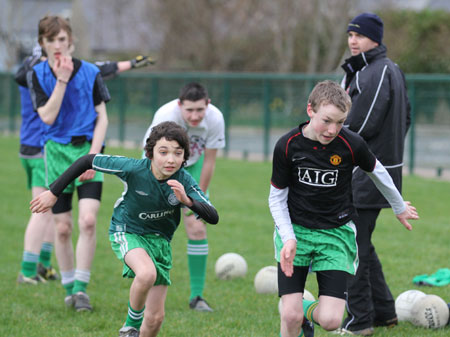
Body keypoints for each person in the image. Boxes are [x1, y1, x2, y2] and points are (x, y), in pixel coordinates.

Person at [30, 121, 219, 337]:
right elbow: (87, 161)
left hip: (161, 242)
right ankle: (129, 328)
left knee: (156, 319)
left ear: (185, 156)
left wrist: (188, 201)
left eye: (178, 153)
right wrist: (53, 192)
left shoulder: (184, 180)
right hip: (128, 231)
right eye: (163, 152)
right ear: (150, 153)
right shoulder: (133, 168)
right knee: (146, 274)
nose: (170, 159)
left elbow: (213, 217)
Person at [268, 80, 418, 337]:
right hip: (296, 232)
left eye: (340, 122)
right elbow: (277, 198)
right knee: (289, 315)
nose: (332, 129)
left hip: (336, 234)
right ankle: (294, 313)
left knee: (330, 320)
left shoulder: (351, 143)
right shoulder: (287, 145)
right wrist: (288, 236)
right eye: (327, 120)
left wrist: (397, 205)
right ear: (310, 110)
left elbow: (377, 172)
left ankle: (306, 315)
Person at [14, 43, 154, 285]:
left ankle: (45, 266)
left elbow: (98, 69)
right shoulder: (41, 74)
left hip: (31, 146)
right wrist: (130, 63)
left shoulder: (33, 69)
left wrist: (130, 63)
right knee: (43, 209)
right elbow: (102, 68)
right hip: (47, 147)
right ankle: (28, 271)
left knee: (63, 220)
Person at [27, 15, 110, 311]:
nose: (58, 45)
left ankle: (82, 290)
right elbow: (47, 117)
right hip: (57, 154)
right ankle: (68, 288)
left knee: (88, 221)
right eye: (51, 40)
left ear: (70, 40)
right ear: (43, 44)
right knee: (62, 228)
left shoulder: (90, 72)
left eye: (62, 39)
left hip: (88, 149)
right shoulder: (37, 74)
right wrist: (61, 80)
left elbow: (102, 116)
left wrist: (94, 156)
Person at [339, 13, 411, 335]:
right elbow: (406, 117)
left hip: (366, 174)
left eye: (360, 35)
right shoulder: (373, 69)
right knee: (362, 242)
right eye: (350, 34)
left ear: (376, 39)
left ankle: (359, 322)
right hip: (371, 172)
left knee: (352, 246)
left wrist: (328, 146)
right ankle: (384, 312)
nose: (353, 40)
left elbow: (362, 124)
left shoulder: (378, 70)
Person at [142, 82, 225, 312]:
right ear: (180, 106)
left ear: (208, 104)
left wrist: (198, 201)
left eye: (200, 109)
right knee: (154, 230)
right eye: (189, 110)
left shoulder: (216, 119)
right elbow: (149, 158)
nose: (195, 115)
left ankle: (197, 297)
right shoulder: (165, 116)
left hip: (193, 170)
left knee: (197, 228)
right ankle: (148, 289)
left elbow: (209, 160)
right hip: (160, 169)